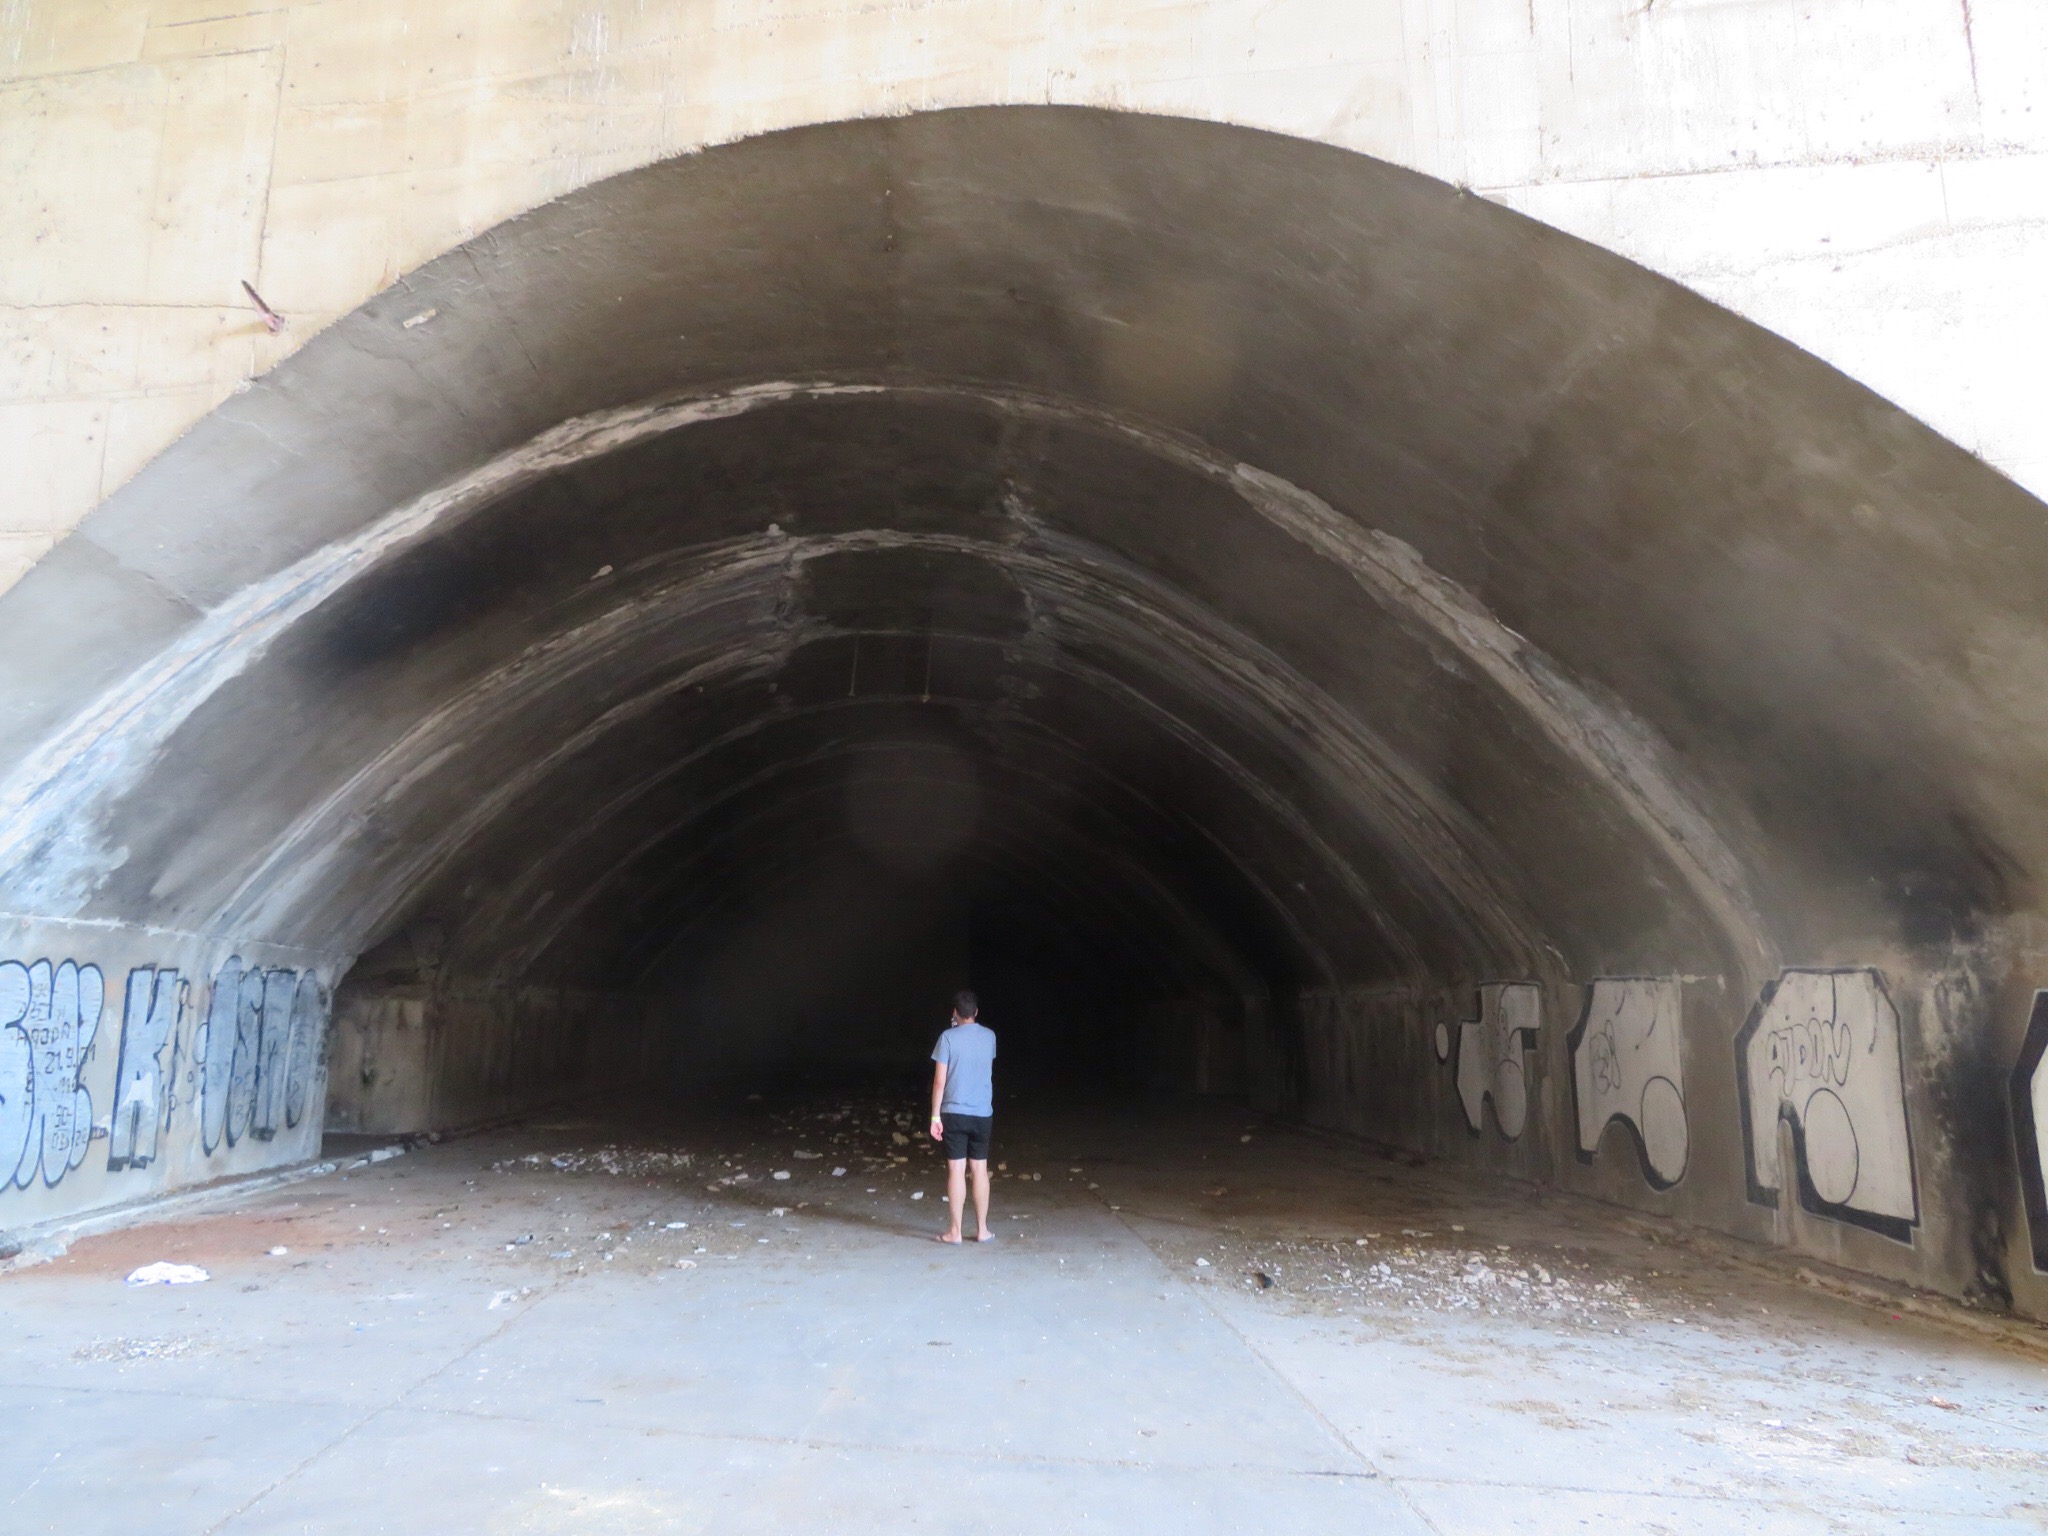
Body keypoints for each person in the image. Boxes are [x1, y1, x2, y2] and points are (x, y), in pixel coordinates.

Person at [928, 988, 997, 1243]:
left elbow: (939, 1082)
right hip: (982, 1113)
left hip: (954, 1113)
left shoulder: (947, 1038)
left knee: (956, 1170)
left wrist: (935, 1117)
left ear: (955, 1012)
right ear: (976, 1012)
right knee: (980, 1169)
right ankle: (982, 1230)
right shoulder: (990, 1037)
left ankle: (955, 1232)